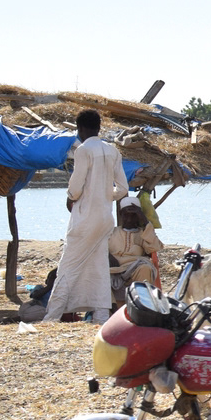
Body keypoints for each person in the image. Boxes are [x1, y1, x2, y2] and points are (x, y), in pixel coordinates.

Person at [43, 110, 129, 323]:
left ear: (80, 128)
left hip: (85, 220)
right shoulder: (112, 151)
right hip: (104, 220)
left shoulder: (83, 150)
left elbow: (75, 187)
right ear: (99, 127)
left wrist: (72, 197)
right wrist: (105, 195)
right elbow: (123, 188)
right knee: (99, 268)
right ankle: (100, 317)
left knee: (67, 267)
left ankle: (51, 318)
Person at [109, 195, 164, 305]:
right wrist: (108, 256)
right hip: (112, 269)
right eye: (126, 215)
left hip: (133, 269)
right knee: (97, 273)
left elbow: (155, 247)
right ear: (121, 215)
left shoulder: (143, 234)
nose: (129, 219)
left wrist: (144, 220)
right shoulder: (111, 232)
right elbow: (98, 248)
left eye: (133, 215)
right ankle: (111, 309)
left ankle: (142, 306)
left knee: (145, 268)